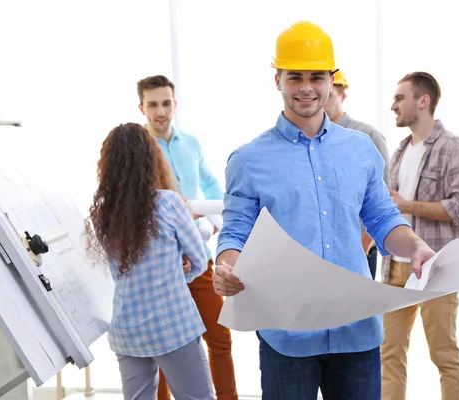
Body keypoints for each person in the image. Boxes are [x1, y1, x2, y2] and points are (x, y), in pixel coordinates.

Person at [211, 21, 436, 400]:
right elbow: (236, 232)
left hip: (357, 332)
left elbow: (382, 219)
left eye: (316, 76)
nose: (306, 87)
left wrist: (415, 247)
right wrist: (227, 265)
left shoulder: (361, 149)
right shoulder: (248, 160)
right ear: (277, 80)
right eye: (294, 76)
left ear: (331, 81)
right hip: (287, 334)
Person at [85, 123, 214, 400]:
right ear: (151, 158)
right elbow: (200, 259)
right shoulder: (169, 203)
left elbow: (120, 271)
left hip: (127, 329)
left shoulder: (102, 214)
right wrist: (182, 273)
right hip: (173, 325)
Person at [137, 75, 239, 400]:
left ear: (174, 104)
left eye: (166, 103)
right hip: (162, 266)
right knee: (166, 348)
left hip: (199, 258)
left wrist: (216, 219)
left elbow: (210, 186)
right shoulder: (138, 152)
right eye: (152, 104)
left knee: (220, 338)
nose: (160, 111)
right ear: (141, 107)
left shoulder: (191, 143)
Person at [381, 72, 459, 400]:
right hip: (395, 267)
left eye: (400, 98)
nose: (393, 105)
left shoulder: (453, 147)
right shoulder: (399, 152)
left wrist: (409, 205)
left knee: (444, 355)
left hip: (437, 267)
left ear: (423, 101)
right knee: (388, 353)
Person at [324, 69, 390, 279]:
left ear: (343, 97)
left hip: (357, 247)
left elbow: (382, 195)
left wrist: (364, 244)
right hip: (320, 249)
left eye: (330, 96)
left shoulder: (366, 136)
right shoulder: (309, 139)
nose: (322, 102)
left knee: (357, 309)